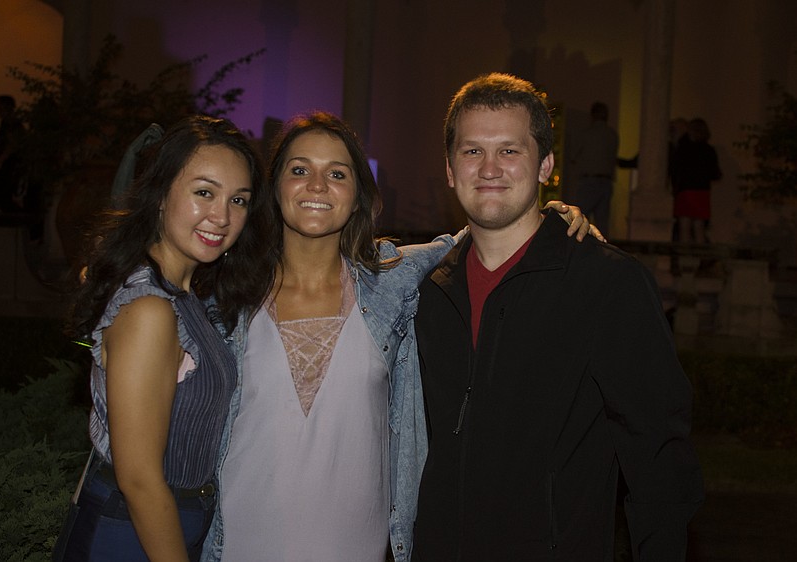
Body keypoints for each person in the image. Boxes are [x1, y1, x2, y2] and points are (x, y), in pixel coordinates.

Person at [201, 111, 600, 562]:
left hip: (355, 547)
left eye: (337, 173)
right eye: (299, 170)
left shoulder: (388, 283)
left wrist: (546, 211)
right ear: (273, 189)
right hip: (237, 543)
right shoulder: (223, 299)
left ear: (357, 197)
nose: (316, 185)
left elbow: (474, 234)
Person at [412, 73, 704, 560]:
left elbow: (658, 455)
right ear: (448, 168)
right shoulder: (426, 291)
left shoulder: (606, 284)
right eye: (471, 151)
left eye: (510, 150)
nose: (489, 168)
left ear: (546, 164)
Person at [53, 115, 275, 562]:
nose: (222, 216)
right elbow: (138, 478)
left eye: (239, 200)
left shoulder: (184, 294)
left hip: (161, 525)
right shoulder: (150, 309)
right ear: (160, 196)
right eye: (203, 192)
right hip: (131, 533)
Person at [569, 101, 619, 237]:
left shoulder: (586, 133)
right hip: (606, 181)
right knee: (602, 222)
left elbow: (573, 156)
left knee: (580, 218)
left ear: (593, 115)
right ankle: (602, 253)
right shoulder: (612, 135)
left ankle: (579, 250)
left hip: (588, 180)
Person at [670, 117, 721, 243]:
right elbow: (715, 173)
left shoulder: (683, 149)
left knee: (684, 227)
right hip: (702, 191)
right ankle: (700, 258)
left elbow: (675, 169)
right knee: (699, 227)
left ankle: (685, 258)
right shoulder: (709, 150)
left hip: (685, 191)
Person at [0, 94, 25, 214]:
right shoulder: (7, 122)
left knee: (3, 193)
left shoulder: (11, 122)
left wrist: (1, 159)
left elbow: (14, 143)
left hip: (8, 163)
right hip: (6, 161)